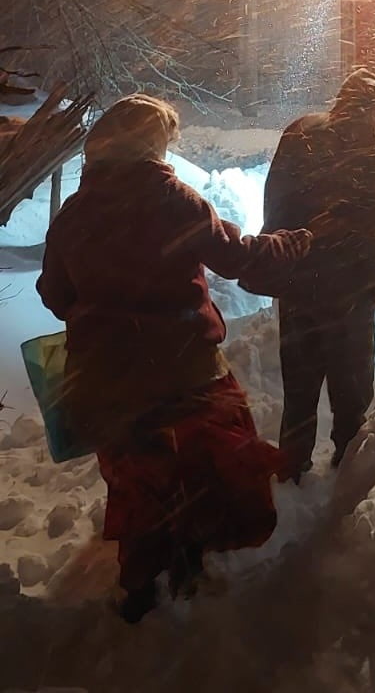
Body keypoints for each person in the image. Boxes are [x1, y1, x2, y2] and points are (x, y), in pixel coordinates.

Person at [37, 94, 313, 623]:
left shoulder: (75, 212)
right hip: (181, 373)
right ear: (148, 143)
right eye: (165, 139)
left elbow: (54, 293)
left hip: (104, 379)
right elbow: (237, 258)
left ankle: (140, 585)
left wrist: (104, 309)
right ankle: (189, 557)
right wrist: (289, 245)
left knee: (137, 477)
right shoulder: (171, 199)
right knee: (206, 466)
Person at [253, 67, 375, 482]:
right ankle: (348, 468)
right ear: (368, 110)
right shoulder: (369, 145)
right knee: (351, 386)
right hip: (345, 282)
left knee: (299, 384)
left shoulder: (299, 131)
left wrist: (278, 253)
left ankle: (292, 465)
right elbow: (369, 220)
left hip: (298, 278)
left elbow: (274, 198)